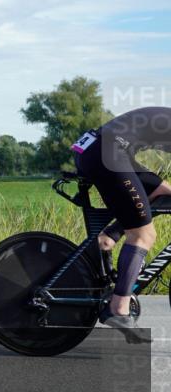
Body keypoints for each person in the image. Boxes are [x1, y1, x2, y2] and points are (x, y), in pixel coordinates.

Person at [72, 106, 171, 342]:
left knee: (163, 192)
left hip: (101, 148)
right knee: (143, 235)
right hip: (107, 152)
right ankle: (119, 309)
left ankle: (108, 237)